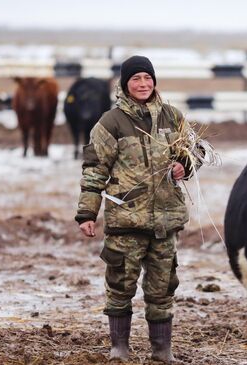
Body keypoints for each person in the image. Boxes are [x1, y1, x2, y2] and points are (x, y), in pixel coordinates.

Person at [75, 55, 202, 363]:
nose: (143, 84)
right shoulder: (111, 122)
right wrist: (87, 213)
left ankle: (162, 351)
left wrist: (184, 165)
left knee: (163, 289)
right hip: (126, 222)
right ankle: (119, 348)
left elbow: (195, 150)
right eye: (136, 79)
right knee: (120, 286)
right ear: (124, 84)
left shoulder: (173, 117)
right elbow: (94, 170)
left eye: (147, 78)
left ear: (154, 81)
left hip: (165, 221)